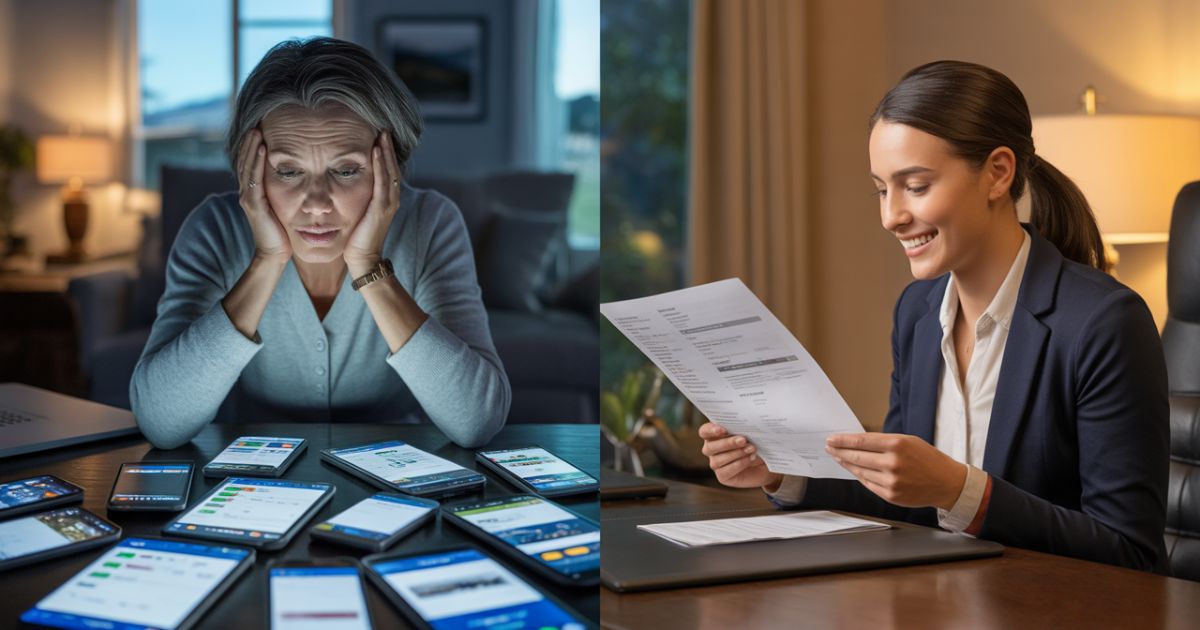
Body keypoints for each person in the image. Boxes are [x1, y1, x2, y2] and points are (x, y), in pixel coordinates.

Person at [698, 60, 1170, 573]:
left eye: (916, 186)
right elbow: (905, 497)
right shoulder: (917, 313)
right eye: (882, 189)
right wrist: (782, 472)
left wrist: (959, 489)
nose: (891, 216)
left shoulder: (1104, 323)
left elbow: (1130, 552)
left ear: (998, 173)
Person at [131, 37, 510, 449]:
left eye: (346, 170)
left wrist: (368, 265)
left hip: (396, 465)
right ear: (249, 169)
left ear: (390, 170)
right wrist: (267, 260)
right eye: (288, 171)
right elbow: (161, 423)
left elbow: (476, 421)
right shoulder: (214, 227)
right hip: (253, 468)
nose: (316, 204)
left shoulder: (431, 223)